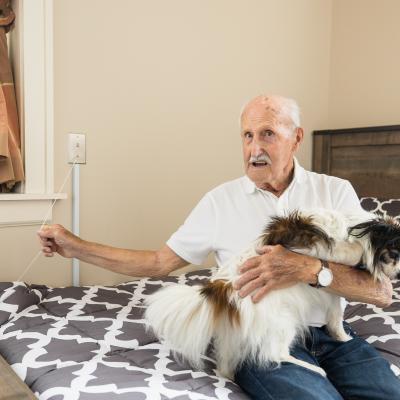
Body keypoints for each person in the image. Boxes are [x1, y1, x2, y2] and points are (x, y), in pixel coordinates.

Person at [38, 95, 400, 400]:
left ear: (296, 138)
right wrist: (76, 247)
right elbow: (158, 262)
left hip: (333, 334)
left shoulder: (335, 192)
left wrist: (308, 270)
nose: (254, 148)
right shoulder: (219, 201)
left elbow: (381, 294)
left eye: (268, 134)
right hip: (255, 338)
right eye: (247, 136)